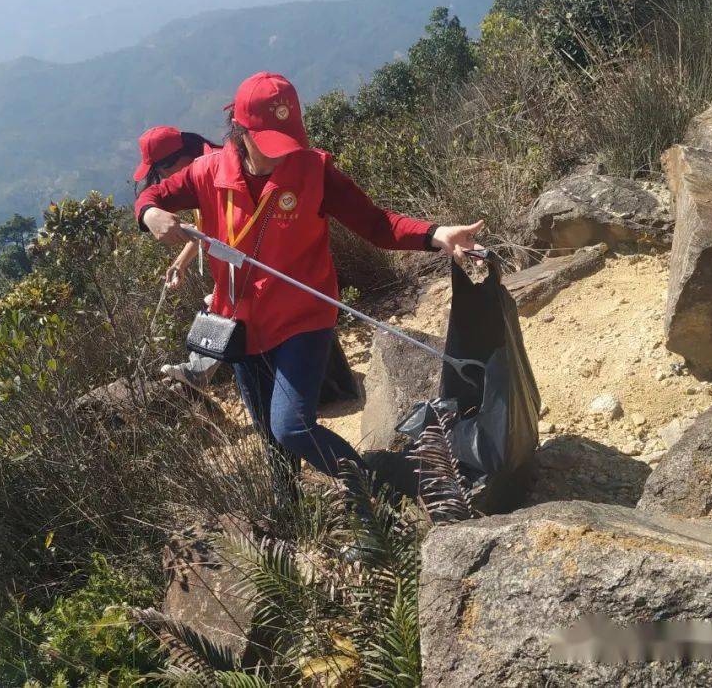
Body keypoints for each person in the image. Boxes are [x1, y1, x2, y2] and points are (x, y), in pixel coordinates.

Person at [135, 71, 485, 503]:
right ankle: (291, 510)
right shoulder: (207, 173)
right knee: (269, 432)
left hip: (303, 317)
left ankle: (379, 495)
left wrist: (436, 234)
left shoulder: (314, 171)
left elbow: (377, 224)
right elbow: (150, 199)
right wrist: (150, 217)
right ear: (241, 131)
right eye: (270, 140)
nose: (282, 153)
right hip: (240, 324)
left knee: (292, 426)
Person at [132, 125, 222, 387]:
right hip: (234, 265)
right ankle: (198, 368)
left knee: (221, 302)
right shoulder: (197, 176)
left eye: (159, 172)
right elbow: (206, 230)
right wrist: (179, 264)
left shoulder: (217, 168)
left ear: (177, 159)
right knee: (219, 301)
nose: (161, 180)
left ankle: (198, 370)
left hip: (256, 263)